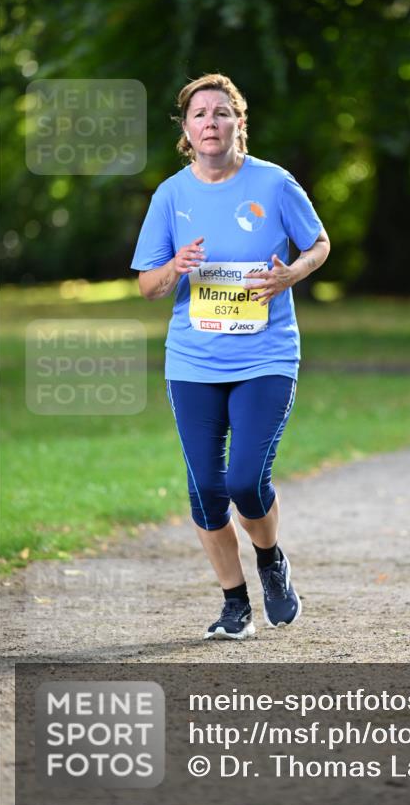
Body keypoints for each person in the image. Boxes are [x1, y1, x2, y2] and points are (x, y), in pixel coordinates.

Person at [130, 73, 330, 640]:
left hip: (266, 355)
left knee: (244, 478)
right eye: (199, 115)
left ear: (239, 122)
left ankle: (270, 559)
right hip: (193, 361)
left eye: (221, 113)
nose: (210, 123)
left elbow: (319, 243)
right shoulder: (171, 195)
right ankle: (234, 601)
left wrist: (292, 272)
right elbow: (149, 285)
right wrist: (178, 267)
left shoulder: (274, 183)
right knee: (204, 488)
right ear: (186, 131)